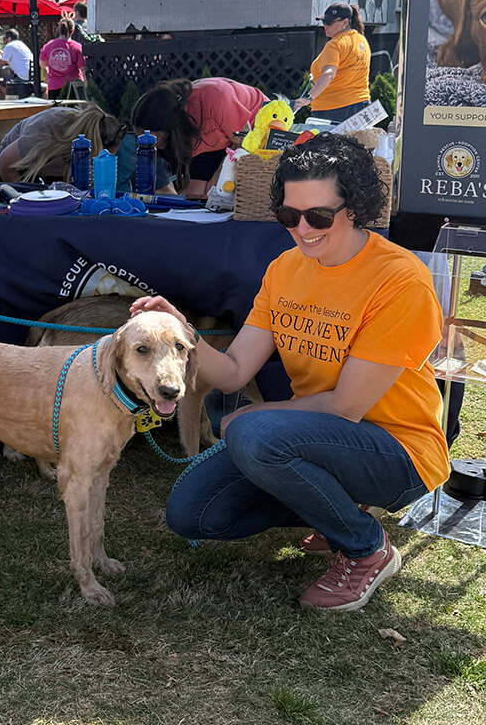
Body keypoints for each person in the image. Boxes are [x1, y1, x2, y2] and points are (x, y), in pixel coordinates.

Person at [132, 134, 447, 611]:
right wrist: (184, 332)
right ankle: (336, 508)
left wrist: (253, 420)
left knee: (256, 434)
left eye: (318, 216)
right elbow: (234, 372)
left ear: (356, 207)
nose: (303, 229)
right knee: (193, 513)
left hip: (398, 450)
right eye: (289, 216)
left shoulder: (400, 280)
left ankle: (366, 547)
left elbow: (348, 406)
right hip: (314, 437)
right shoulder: (285, 268)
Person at [132, 77, 268, 199]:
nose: (145, 143)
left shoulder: (216, 100)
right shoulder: (180, 130)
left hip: (255, 136)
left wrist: (216, 180)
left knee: (217, 194)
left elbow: (244, 147)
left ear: (167, 126)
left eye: (149, 137)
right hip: (214, 139)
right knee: (193, 196)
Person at [303, 2, 371, 121]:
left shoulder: (334, 44)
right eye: (323, 22)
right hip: (361, 105)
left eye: (329, 23)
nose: (325, 26)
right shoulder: (362, 41)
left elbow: (329, 74)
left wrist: (308, 98)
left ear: (345, 22)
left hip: (332, 109)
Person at [40, 18, 85, 99]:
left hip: (54, 86)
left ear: (59, 30)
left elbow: (42, 63)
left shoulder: (49, 46)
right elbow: (83, 68)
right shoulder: (77, 47)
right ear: (72, 31)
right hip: (72, 87)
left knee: (56, 110)